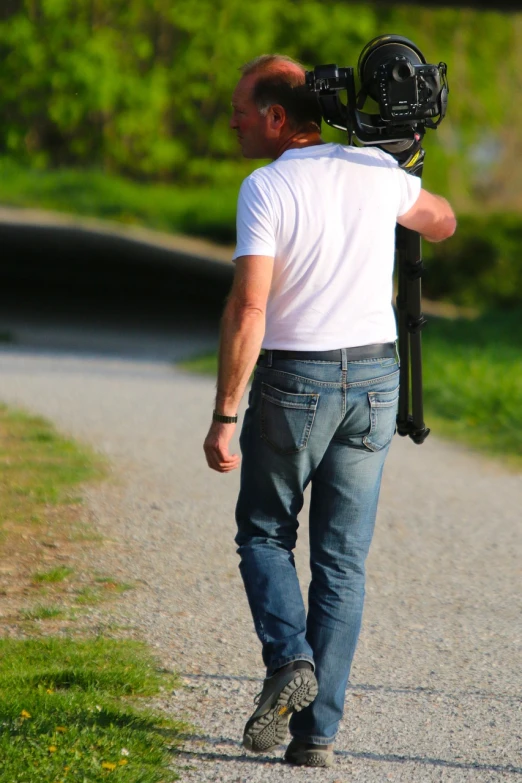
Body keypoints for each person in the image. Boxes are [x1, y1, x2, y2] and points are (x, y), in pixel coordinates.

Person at [203, 54, 456, 768]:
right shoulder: (376, 173)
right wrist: (403, 161)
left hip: (295, 383)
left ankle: (289, 659)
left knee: (262, 533)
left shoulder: (266, 186)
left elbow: (250, 304)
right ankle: (316, 736)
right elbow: (442, 222)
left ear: (278, 118)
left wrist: (226, 415)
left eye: (243, 111)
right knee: (342, 561)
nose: (234, 122)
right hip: (376, 379)